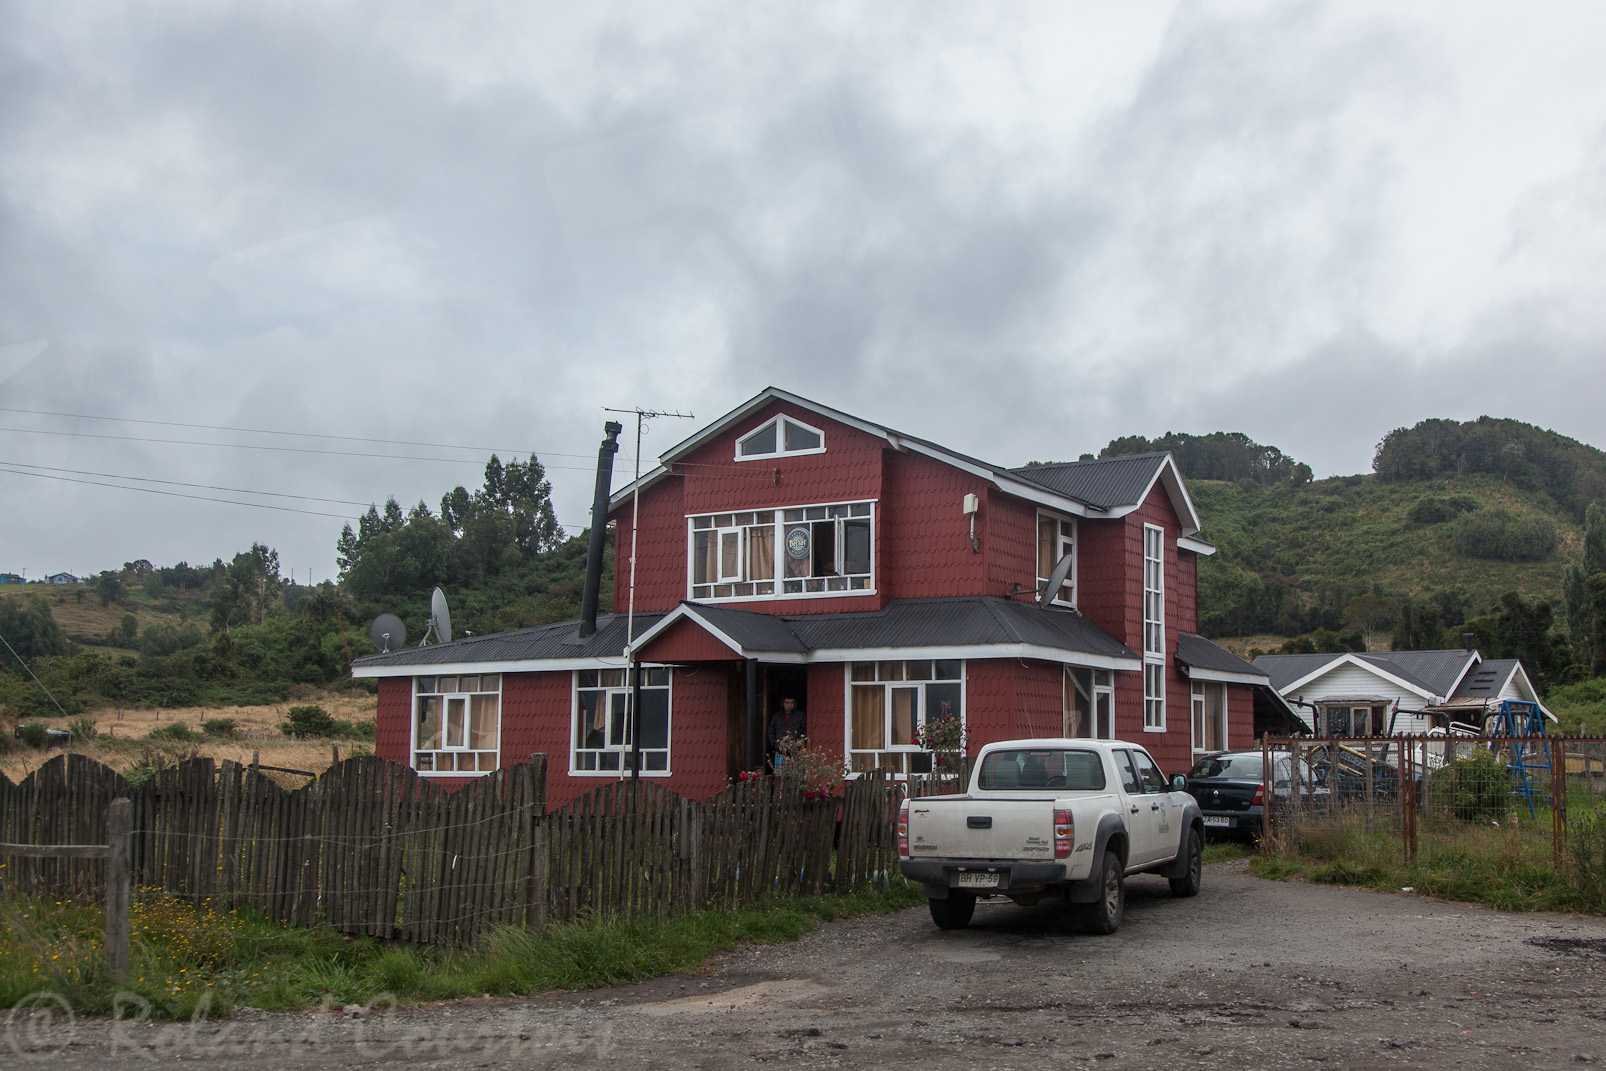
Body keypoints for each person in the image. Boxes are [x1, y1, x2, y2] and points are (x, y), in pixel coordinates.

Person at [766, 696, 807, 765]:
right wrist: (776, 745)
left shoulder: (800, 715)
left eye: (792, 703)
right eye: (787, 703)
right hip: (781, 752)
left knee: (796, 774)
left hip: (796, 752)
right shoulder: (777, 717)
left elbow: (805, 731)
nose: (789, 705)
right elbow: (771, 732)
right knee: (780, 774)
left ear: (795, 704)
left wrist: (799, 745)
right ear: (783, 703)